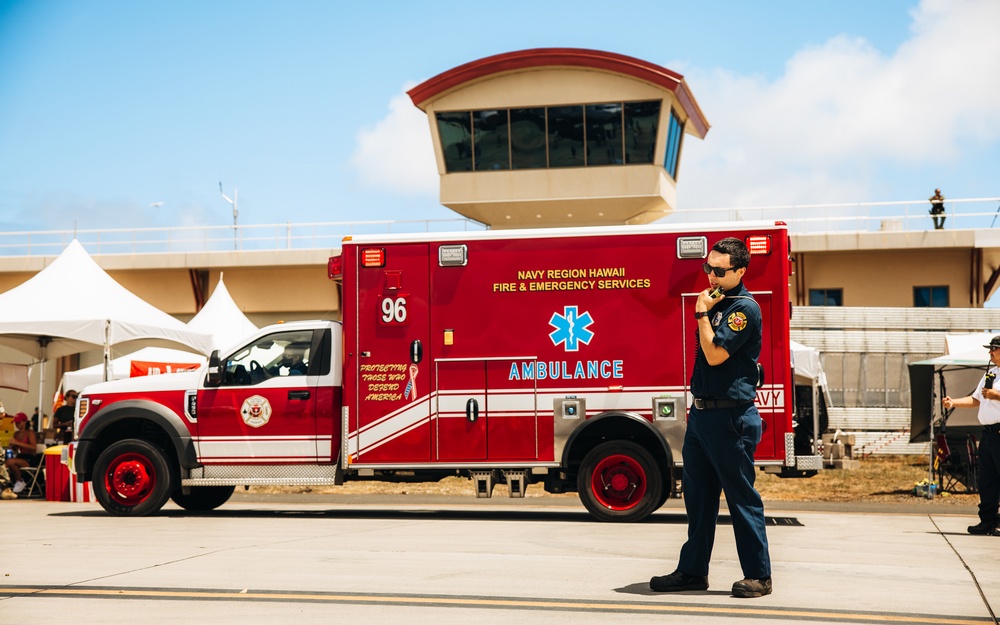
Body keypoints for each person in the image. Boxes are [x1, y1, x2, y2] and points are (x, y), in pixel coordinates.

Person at [650, 237, 772, 598]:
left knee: (740, 498)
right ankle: (692, 572)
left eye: (719, 271)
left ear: (740, 271)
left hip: (730, 418)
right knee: (698, 499)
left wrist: (702, 313)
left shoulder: (743, 309)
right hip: (702, 414)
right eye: (708, 268)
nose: (712, 276)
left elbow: (716, 355)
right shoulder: (718, 302)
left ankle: (759, 575)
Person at [942, 335, 1000, 536]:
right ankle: (987, 521)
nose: (990, 352)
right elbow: (976, 399)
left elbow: (991, 397)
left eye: (994, 348)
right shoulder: (990, 374)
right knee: (987, 480)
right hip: (990, 434)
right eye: (990, 349)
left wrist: (996, 395)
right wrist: (953, 402)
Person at [5, 413, 38, 494]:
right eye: (16, 423)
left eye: (18, 423)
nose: (17, 425)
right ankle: (18, 481)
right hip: (20, 456)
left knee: (10, 462)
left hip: (29, 458)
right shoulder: (16, 434)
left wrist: (17, 443)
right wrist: (12, 446)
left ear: (24, 421)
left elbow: (33, 447)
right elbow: (16, 449)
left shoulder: (30, 433)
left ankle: (19, 481)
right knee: (10, 463)